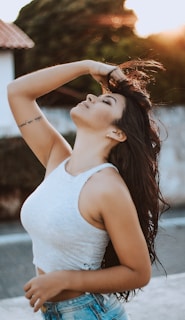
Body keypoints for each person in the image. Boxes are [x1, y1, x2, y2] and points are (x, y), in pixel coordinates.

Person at [7, 59, 166, 319]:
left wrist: (66, 280)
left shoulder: (107, 187)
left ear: (117, 133)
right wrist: (87, 65)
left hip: (88, 312)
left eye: (106, 102)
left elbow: (138, 272)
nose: (92, 96)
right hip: (57, 312)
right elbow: (18, 92)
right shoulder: (57, 158)